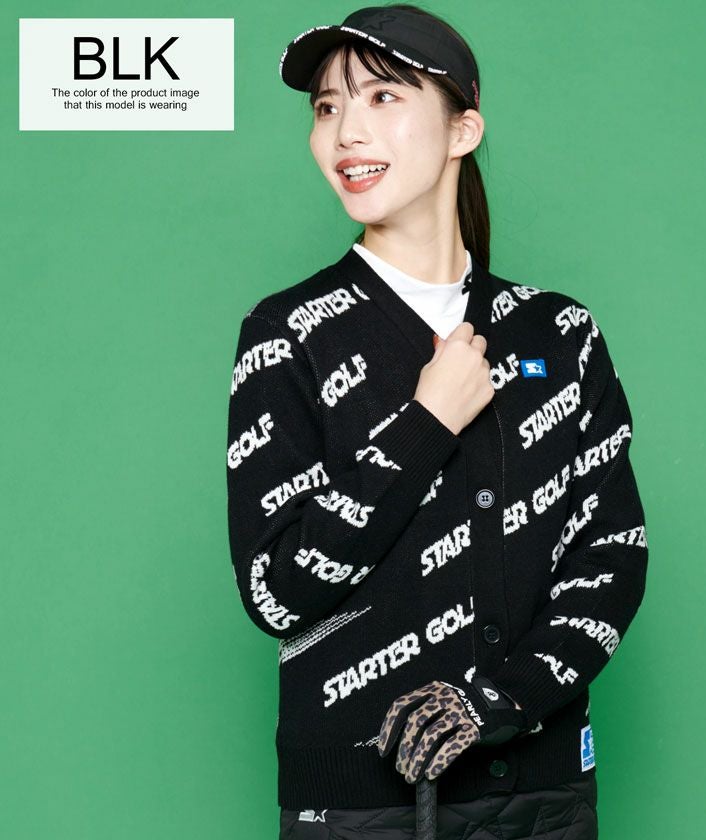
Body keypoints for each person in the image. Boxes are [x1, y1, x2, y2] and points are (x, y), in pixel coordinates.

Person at [226, 5, 649, 839]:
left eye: (382, 97)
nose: (346, 130)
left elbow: (611, 558)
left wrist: (499, 701)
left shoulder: (558, 334)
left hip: (544, 802)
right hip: (358, 809)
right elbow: (276, 591)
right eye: (326, 106)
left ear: (463, 129)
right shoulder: (288, 335)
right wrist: (425, 421)